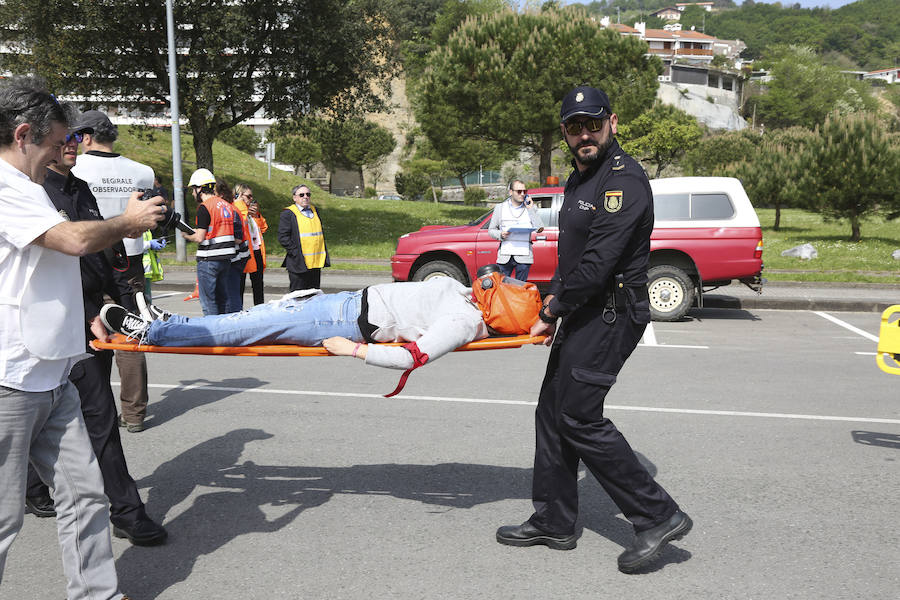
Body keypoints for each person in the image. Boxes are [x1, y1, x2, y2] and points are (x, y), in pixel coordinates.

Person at [495, 86, 691, 573]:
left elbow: (601, 261)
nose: (585, 133)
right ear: (564, 132)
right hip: (584, 310)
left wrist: (552, 310)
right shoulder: (580, 180)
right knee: (552, 412)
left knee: (580, 415)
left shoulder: (624, 181)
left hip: (612, 312)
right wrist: (550, 303)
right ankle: (555, 520)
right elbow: (572, 256)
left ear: (612, 123)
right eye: (574, 126)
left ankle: (657, 514)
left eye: (593, 123)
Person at [0, 77, 164, 598]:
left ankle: (98, 594)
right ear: (24, 134)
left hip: (55, 371)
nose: (62, 154)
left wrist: (89, 313)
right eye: (55, 144)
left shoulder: (30, 189)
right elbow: (70, 241)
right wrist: (129, 220)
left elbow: (42, 271)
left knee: (87, 496)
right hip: (11, 379)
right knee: (5, 520)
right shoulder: (4, 187)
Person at [24, 114, 168, 546]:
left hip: (93, 319)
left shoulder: (79, 188)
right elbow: (72, 249)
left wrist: (115, 304)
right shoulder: (33, 193)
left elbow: (104, 255)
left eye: (75, 137)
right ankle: (126, 510)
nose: (72, 144)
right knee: (99, 417)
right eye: (64, 137)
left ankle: (35, 488)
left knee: (67, 415)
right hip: (58, 322)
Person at [101, 277, 509, 396]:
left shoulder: (463, 321)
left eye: (508, 288)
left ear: (502, 309)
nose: (501, 278)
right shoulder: (465, 295)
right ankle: (171, 324)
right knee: (251, 317)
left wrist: (354, 351)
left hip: (340, 324)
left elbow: (411, 358)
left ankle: (151, 331)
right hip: (344, 304)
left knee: (242, 330)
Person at [71, 109, 154, 433]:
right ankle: (134, 413)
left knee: (91, 330)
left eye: (78, 136)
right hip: (129, 260)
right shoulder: (142, 171)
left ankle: (94, 407)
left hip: (88, 257)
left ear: (87, 136)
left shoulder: (74, 167)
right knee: (130, 330)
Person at [181, 168, 245, 315]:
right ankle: (224, 331)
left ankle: (212, 332)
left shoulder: (204, 207)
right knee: (223, 299)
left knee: (208, 301)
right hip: (226, 260)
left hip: (209, 260)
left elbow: (199, 237)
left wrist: (186, 235)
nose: (192, 193)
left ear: (200, 188)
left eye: (193, 189)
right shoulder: (227, 206)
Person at [488, 179, 544, 281]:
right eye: (519, 191)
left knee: (520, 289)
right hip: (505, 255)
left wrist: (530, 209)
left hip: (524, 256)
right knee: (503, 287)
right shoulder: (500, 208)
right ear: (511, 192)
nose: (522, 194)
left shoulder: (531, 208)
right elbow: (491, 230)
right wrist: (501, 234)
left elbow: (540, 228)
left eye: (525, 191)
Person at [278, 184, 329, 291]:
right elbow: (283, 237)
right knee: (298, 297)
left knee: (314, 297)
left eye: (308, 194)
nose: (305, 197)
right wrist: (295, 252)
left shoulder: (315, 211)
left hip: (315, 263)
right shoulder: (288, 213)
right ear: (294, 198)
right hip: (298, 263)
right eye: (301, 195)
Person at [233, 182, 268, 305]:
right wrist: (245, 211)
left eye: (252, 196)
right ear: (240, 195)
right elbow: (238, 224)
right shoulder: (236, 209)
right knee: (239, 286)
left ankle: (260, 310)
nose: (251, 199)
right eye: (248, 196)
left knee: (258, 285)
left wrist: (256, 215)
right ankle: (238, 312)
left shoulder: (250, 212)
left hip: (256, 251)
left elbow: (263, 228)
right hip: (243, 253)